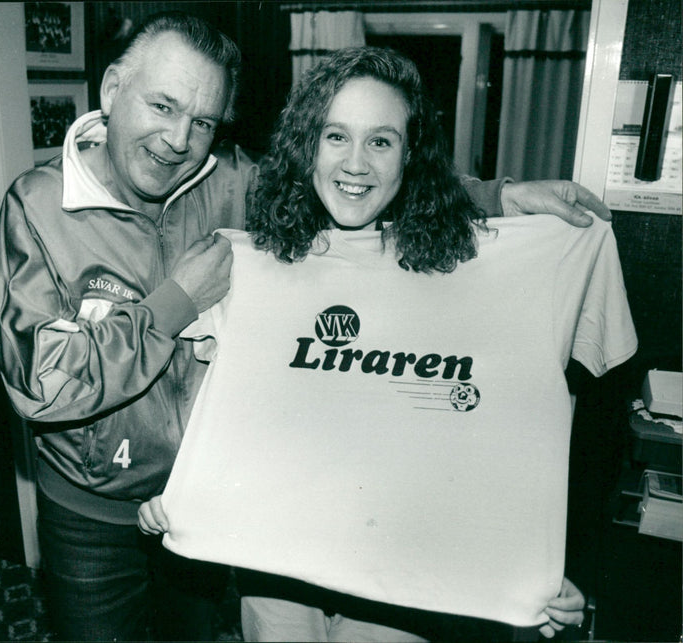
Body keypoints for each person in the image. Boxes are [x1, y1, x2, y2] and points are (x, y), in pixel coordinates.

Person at [0, 10, 614, 642]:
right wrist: (177, 300)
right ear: (112, 88)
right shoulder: (39, 207)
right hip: (90, 514)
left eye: (203, 121)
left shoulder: (234, 180)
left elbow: (353, 183)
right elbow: (42, 387)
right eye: (162, 105)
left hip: (208, 505)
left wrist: (499, 200)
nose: (179, 139)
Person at [139, 46, 636, 641]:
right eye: (334, 136)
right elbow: (196, 398)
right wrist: (179, 490)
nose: (355, 163)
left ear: (410, 155)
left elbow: (576, 425)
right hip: (274, 571)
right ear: (306, 146)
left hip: (405, 584)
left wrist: (554, 564)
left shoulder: (484, 269)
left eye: (381, 141)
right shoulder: (251, 263)